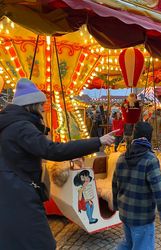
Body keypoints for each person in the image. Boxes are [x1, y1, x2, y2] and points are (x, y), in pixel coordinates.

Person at [0, 78, 117, 250]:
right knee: (42, 242)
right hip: (20, 192)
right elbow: (54, 151)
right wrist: (97, 141)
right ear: (32, 105)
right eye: (41, 105)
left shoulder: (9, 123)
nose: (43, 108)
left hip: (10, 189)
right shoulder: (22, 128)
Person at [112, 122, 161, 250]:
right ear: (149, 138)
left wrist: (116, 206)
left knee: (128, 243)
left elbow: (114, 185)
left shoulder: (121, 157)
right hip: (142, 216)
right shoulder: (150, 160)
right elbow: (159, 193)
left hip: (125, 212)